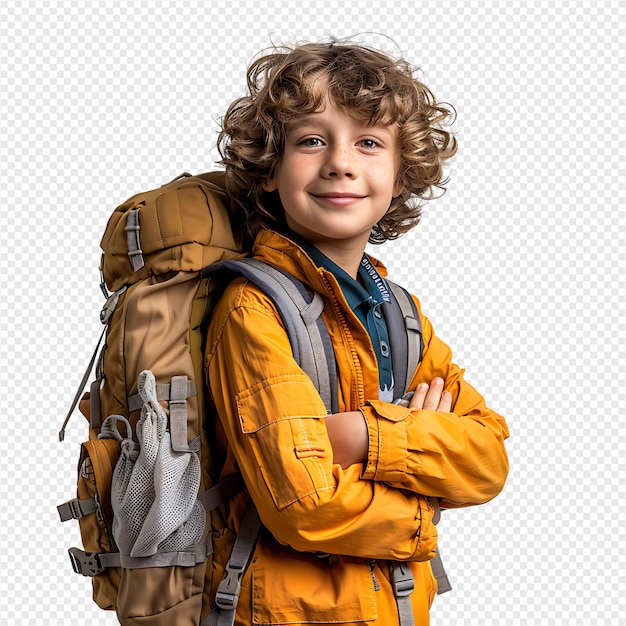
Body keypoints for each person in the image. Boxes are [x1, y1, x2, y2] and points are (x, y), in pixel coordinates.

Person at [205, 39, 510, 626]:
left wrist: (356, 437)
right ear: (270, 171)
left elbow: (490, 460)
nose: (340, 162)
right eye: (312, 140)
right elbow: (304, 505)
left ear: (401, 176)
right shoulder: (253, 309)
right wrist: (425, 481)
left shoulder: (400, 311)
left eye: (369, 142)